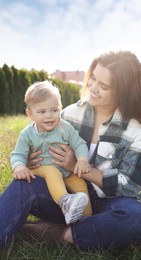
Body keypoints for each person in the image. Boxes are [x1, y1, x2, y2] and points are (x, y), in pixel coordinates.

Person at [0, 50, 141, 250]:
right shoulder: (70, 114)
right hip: (65, 197)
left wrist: (79, 167)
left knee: (137, 219)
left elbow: (131, 184)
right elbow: (37, 141)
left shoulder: (137, 133)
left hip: (108, 203)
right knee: (22, 184)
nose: (92, 87)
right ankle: (80, 230)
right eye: (93, 78)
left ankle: (55, 232)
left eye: (103, 86)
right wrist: (31, 161)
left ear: (122, 91)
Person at [10, 80, 92, 225]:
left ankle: (85, 219)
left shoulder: (65, 128)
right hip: (42, 169)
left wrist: (82, 160)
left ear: (60, 108)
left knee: (81, 185)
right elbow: (18, 154)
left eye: (54, 110)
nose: (49, 116)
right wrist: (19, 167)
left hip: (67, 172)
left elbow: (79, 144)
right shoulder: (27, 134)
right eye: (42, 112)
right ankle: (65, 202)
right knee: (52, 172)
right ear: (30, 114)